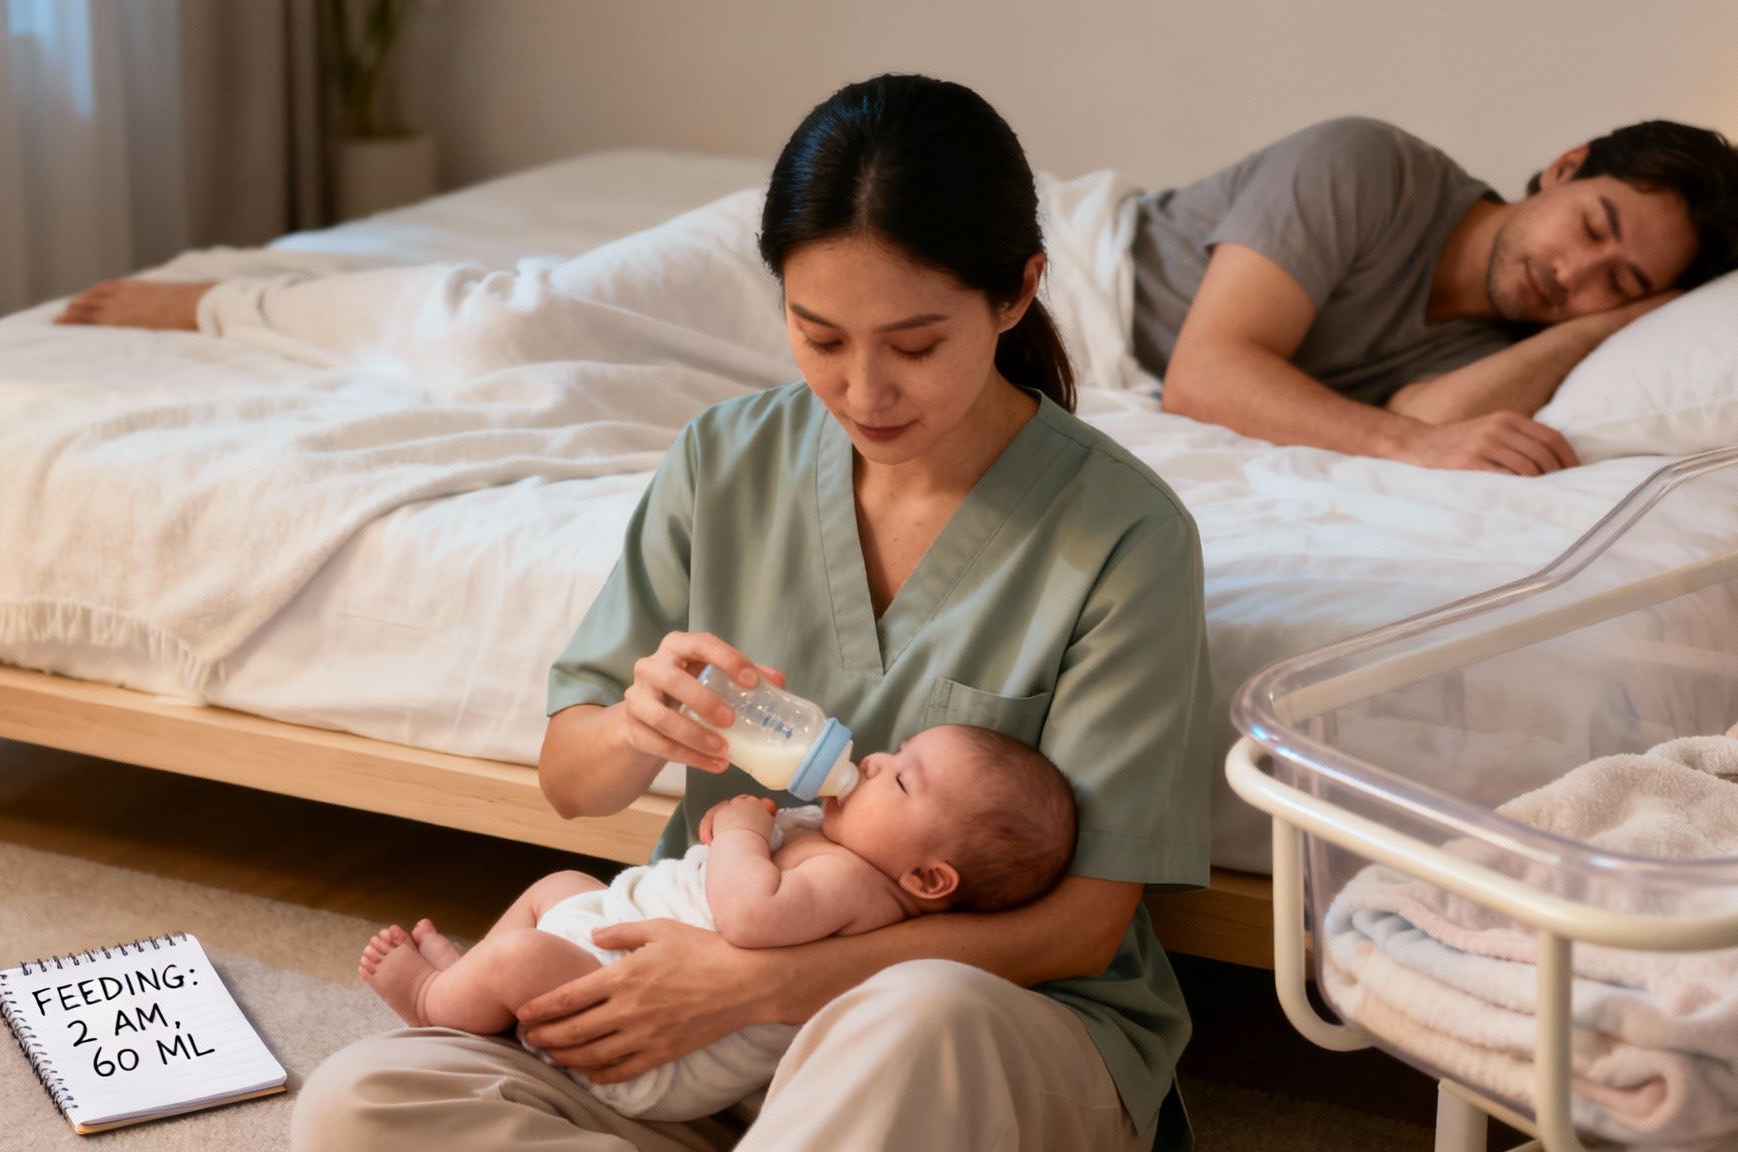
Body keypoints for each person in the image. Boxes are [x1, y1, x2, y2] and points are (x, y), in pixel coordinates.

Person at [58, 72, 1211, 1152]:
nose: (863, 391)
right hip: (679, 1031)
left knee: (912, 1017)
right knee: (366, 1104)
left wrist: (756, 982)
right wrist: (632, 728)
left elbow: (1079, 929)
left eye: (914, 345)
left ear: (1015, 291)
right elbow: (573, 781)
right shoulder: (727, 460)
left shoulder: (1121, 535)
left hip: (976, 1027)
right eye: (818, 337)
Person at [358, 724, 1078, 1122]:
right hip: (625, 954)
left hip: (650, 1049)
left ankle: (433, 1002)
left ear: (927, 879)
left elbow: (751, 916)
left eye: (901, 777)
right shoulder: (833, 842)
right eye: (898, 750)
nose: (879, 758)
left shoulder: (853, 881)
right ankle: (471, 987)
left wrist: (737, 834)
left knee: (521, 959)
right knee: (559, 885)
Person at [1134, 117, 1738, 474]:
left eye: (1619, 282)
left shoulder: (1515, 346)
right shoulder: (1367, 165)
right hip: (1080, 279)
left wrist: (1603, 327)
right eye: (1590, 226)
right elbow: (1204, 376)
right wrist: (1407, 446)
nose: (1574, 273)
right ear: (1564, 167)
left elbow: (1433, 421)